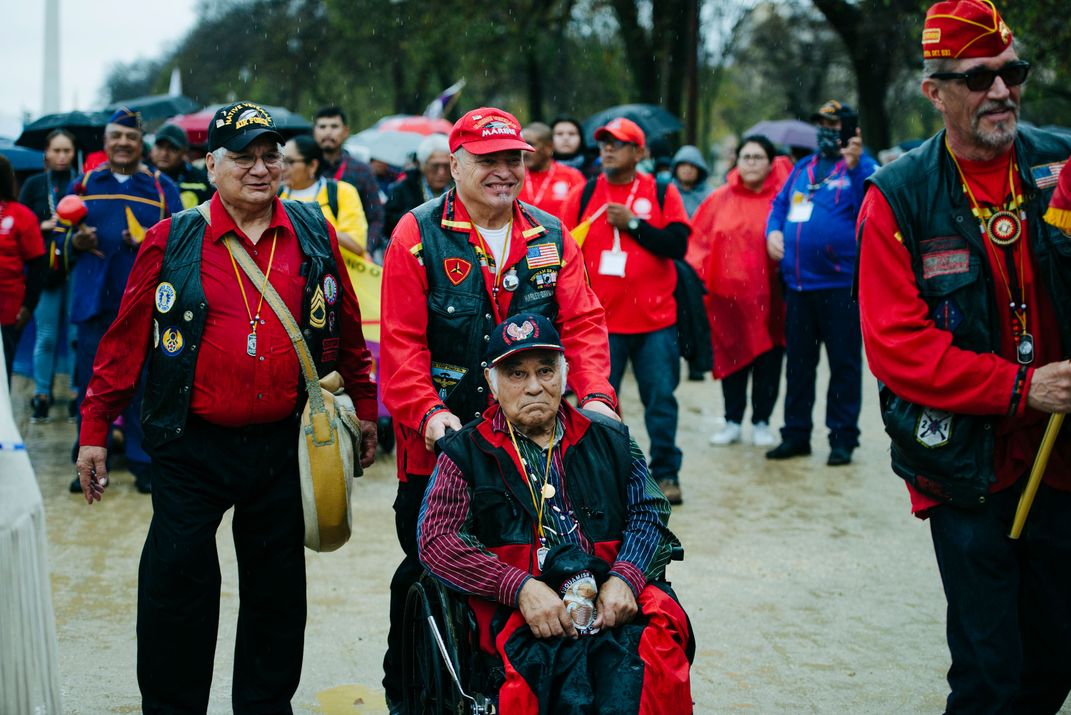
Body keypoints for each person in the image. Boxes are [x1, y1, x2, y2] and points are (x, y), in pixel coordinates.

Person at [74, 101, 379, 714]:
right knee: (176, 589)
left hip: (281, 445)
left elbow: (347, 332)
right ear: (211, 165)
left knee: (276, 596)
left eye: (272, 156)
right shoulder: (174, 237)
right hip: (191, 444)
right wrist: (92, 429)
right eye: (243, 157)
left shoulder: (313, 232)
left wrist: (365, 407)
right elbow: (124, 341)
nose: (261, 169)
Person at [858, 2, 1071, 711]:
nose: (1002, 91)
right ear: (934, 91)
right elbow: (898, 347)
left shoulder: (1061, 163)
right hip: (963, 466)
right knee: (988, 669)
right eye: (979, 79)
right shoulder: (897, 195)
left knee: (1054, 653)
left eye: (1012, 72)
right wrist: (1020, 388)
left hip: (1061, 457)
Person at [380, 106, 619, 713]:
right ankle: (413, 693)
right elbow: (402, 343)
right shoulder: (417, 232)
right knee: (428, 569)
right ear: (454, 163)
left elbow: (585, 324)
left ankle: (520, 690)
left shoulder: (551, 233)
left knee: (538, 567)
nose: (503, 171)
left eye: (513, 158)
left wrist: (595, 397)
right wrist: (430, 414)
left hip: (536, 445)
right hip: (442, 445)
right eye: (487, 160)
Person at [418, 312, 693, 713]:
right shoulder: (466, 452)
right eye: (516, 374)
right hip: (522, 607)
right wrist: (519, 588)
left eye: (546, 371)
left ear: (564, 374)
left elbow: (649, 511)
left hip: (612, 595)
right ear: (492, 384)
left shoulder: (609, 437)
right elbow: (438, 541)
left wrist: (626, 578)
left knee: (651, 656)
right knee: (546, 676)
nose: (534, 387)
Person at [561, 117, 691, 505]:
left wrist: (634, 224)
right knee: (595, 403)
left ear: (640, 152)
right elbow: (562, 249)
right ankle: (599, 478)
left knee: (660, 400)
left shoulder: (663, 191)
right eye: (603, 143)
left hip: (655, 321)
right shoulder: (583, 195)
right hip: (599, 325)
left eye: (618, 143)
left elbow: (678, 245)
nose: (608, 149)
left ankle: (666, 472)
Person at [64, 107, 183, 494]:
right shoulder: (83, 184)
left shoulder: (162, 188)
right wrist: (73, 242)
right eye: (116, 136)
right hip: (94, 301)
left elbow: (185, 243)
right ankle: (88, 461)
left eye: (130, 137)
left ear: (140, 144)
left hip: (143, 305)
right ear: (105, 141)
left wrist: (151, 237)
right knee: (88, 385)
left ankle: (141, 460)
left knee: (143, 385)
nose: (123, 143)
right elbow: (55, 243)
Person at [764, 99, 878, 466]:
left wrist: (857, 166)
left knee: (843, 364)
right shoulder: (804, 166)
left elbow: (872, 207)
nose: (826, 132)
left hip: (840, 286)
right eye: (822, 125)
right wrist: (772, 232)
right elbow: (779, 207)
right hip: (798, 287)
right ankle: (795, 433)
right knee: (798, 364)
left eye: (833, 126)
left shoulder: (863, 167)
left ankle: (843, 437)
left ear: (849, 130)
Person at [689, 135, 791, 447]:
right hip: (727, 300)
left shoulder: (782, 198)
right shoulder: (719, 198)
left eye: (758, 157)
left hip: (773, 298)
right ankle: (732, 420)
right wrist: (705, 279)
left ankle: (761, 420)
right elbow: (697, 242)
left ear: (771, 162)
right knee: (732, 360)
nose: (750, 163)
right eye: (746, 156)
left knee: (769, 361)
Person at [18, 129, 77, 421]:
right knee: (47, 335)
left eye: (67, 151)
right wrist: (41, 226)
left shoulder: (81, 184)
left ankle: (78, 391)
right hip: (46, 269)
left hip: (76, 266)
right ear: (47, 153)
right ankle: (42, 391)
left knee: (76, 334)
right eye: (57, 150)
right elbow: (21, 221)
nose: (62, 156)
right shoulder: (34, 184)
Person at [312, 106, 385, 258]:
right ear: (314, 131)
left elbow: (376, 217)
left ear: (345, 131)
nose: (328, 132)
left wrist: (367, 249)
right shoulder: (307, 169)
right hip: (314, 253)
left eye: (334, 126)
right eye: (322, 126)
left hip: (352, 255)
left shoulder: (361, 170)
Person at [279, 134, 368, 256]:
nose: (282, 168)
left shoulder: (341, 192)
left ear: (312, 165)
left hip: (335, 273)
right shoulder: (276, 196)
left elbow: (356, 245)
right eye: (280, 160)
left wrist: (312, 223)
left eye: (289, 162)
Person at [0, 156, 46, 384]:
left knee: (2, 368)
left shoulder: (21, 215)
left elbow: (38, 264)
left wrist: (28, 306)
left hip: (9, 310)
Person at [383, 133, 452, 238]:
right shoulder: (401, 190)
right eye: (435, 166)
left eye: (446, 166)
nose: (441, 172)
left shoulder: (461, 189)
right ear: (422, 165)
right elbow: (389, 226)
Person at [520, 121, 585, 221]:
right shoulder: (515, 176)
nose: (524, 151)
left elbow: (584, 216)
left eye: (530, 144)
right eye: (522, 144)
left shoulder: (572, 177)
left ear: (549, 147)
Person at [150, 123, 213, 209]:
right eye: (160, 147)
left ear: (184, 152)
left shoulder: (201, 180)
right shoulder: (141, 176)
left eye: (172, 148)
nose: (164, 153)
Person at [671, 145, 712, 219]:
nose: (687, 169)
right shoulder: (667, 192)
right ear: (676, 168)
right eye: (683, 165)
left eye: (692, 166)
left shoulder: (710, 196)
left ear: (699, 170)